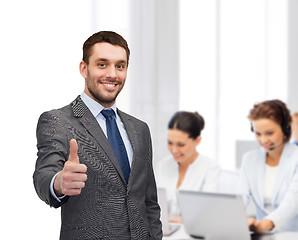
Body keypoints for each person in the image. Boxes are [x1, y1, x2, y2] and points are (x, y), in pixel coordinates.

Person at [33, 31, 162, 240]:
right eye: (102, 64)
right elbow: (44, 174)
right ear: (84, 68)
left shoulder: (140, 129)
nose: (112, 74)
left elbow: (149, 201)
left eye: (120, 66)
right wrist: (59, 182)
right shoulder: (58, 121)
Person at [237, 99, 298, 233]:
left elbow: (292, 202)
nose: (263, 140)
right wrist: (235, 218)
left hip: (292, 234)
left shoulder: (296, 158)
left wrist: (264, 224)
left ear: (285, 129)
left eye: (270, 133)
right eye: (258, 134)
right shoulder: (249, 159)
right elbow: (241, 196)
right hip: (262, 235)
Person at [155, 111, 221, 223]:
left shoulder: (210, 168)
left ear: (197, 141)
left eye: (181, 145)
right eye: (170, 143)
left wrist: (183, 220)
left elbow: (209, 213)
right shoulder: (162, 166)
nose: (174, 150)